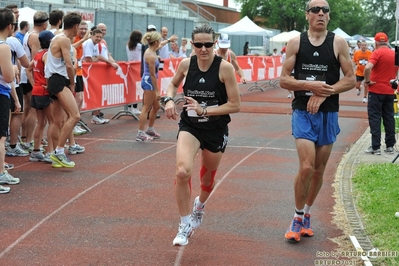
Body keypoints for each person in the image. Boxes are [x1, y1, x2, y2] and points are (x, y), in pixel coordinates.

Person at [279, 0, 355, 243]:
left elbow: (351, 79)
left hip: (328, 113)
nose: (320, 13)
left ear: (329, 17)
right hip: (302, 111)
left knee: (320, 169)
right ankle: (297, 216)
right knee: (306, 167)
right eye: (315, 10)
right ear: (307, 15)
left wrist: (325, 92)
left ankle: (308, 213)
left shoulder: (338, 42)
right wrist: (310, 86)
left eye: (325, 10)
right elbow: (284, 80)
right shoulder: (295, 42)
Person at [164, 24, 240, 246]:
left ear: (214, 43)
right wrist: (168, 99)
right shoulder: (186, 64)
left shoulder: (225, 68)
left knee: (207, 181)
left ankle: (199, 206)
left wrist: (204, 110)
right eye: (199, 44)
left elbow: (235, 105)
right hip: (191, 126)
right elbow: (172, 85)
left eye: (208, 44)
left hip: (215, 129)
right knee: (182, 170)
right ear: (192, 44)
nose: (203, 49)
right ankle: (184, 223)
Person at [45, 12, 82, 168]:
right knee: (75, 116)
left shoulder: (57, 37)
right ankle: (59, 152)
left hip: (54, 80)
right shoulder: (64, 40)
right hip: (59, 80)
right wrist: (72, 84)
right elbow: (69, 65)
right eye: (79, 26)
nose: (79, 30)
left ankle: (54, 154)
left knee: (58, 120)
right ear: (75, 26)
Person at [363, 32, 397, 155]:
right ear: (387, 42)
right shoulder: (394, 53)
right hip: (389, 90)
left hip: (376, 89)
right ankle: (390, 145)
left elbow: (367, 68)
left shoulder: (377, 53)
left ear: (376, 43)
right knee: (389, 117)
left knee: (375, 117)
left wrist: (367, 81)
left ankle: (375, 146)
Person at [20, 11, 49, 151]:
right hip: (31, 77)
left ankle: (25, 138)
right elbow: (36, 60)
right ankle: (29, 140)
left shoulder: (28, 33)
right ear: (44, 23)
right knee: (32, 110)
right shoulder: (36, 37)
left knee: (27, 108)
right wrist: (36, 82)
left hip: (26, 75)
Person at [26, 30, 55, 163]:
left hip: (37, 91)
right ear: (50, 42)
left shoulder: (38, 54)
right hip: (44, 91)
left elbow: (28, 69)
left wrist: (34, 84)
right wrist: (48, 86)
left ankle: (36, 151)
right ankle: (50, 152)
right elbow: (49, 72)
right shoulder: (47, 55)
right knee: (52, 122)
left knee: (41, 123)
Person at [0, 8, 21, 192]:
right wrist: (14, 68)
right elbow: (8, 77)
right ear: (9, 26)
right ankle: (0, 174)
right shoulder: (3, 47)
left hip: (4, 93)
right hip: (0, 93)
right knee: (1, 137)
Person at [82, 28, 117, 124]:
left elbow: (98, 57)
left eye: (100, 37)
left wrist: (111, 63)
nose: (98, 38)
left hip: (90, 72)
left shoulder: (96, 44)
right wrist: (95, 59)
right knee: (82, 96)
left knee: (96, 93)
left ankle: (95, 116)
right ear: (92, 35)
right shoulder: (89, 43)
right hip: (83, 72)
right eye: (97, 36)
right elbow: (88, 59)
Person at [136, 31, 162, 141]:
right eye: (159, 41)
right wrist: (157, 90)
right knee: (146, 107)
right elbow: (152, 74)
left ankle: (150, 129)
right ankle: (140, 133)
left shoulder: (151, 50)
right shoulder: (151, 56)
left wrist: (169, 40)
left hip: (149, 81)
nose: (160, 43)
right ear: (155, 42)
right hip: (149, 82)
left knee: (156, 107)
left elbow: (162, 44)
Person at [72, 20, 90, 134]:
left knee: (80, 99)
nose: (83, 31)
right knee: (76, 99)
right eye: (81, 29)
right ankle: (72, 124)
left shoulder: (83, 41)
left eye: (85, 29)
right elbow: (70, 47)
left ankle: (76, 123)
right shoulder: (74, 38)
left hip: (79, 71)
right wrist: (83, 40)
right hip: (73, 72)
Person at [126, 29, 143, 115]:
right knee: (137, 87)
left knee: (131, 87)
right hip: (137, 67)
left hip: (130, 67)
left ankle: (129, 107)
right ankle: (135, 107)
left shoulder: (128, 45)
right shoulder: (139, 46)